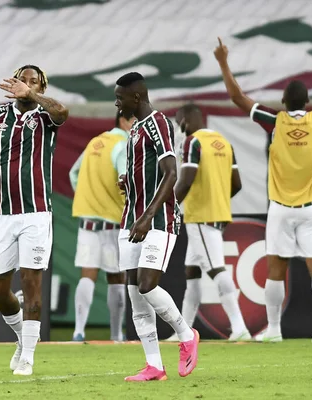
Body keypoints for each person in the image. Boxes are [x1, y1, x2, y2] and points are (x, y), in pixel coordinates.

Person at [213, 35, 312, 342]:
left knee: (275, 268)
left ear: (284, 102)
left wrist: (224, 62)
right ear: (306, 102)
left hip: (280, 207)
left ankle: (275, 330)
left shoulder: (274, 121)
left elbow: (238, 98)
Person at [0, 65, 69, 376]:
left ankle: (27, 356)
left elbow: (63, 112)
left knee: (31, 281)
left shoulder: (45, 117)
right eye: (22, 80)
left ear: (41, 87)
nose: (25, 85)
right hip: (4, 214)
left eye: (33, 82)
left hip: (37, 214)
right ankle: (21, 338)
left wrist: (35, 96)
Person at [114, 72, 199, 382]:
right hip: (130, 220)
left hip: (156, 220)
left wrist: (148, 216)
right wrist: (129, 182)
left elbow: (171, 172)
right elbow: (148, 174)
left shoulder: (158, 123)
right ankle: (154, 366)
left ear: (136, 97)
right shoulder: (134, 130)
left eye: (120, 97)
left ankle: (186, 334)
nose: (116, 102)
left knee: (148, 284)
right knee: (136, 296)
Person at [167, 103, 251, 342]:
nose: (179, 127)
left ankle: (239, 326)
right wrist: (219, 203)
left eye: (179, 121)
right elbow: (237, 184)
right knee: (192, 272)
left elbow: (186, 181)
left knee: (216, 269)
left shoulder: (192, 142)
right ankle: (184, 332)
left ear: (186, 120)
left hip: (200, 215)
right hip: (217, 213)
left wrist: (167, 205)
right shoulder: (224, 143)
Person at [69, 111, 135, 342]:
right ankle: (116, 334)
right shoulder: (123, 145)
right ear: (124, 120)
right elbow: (126, 178)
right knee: (116, 277)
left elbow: (73, 173)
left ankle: (78, 331)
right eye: (135, 120)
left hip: (87, 220)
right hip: (112, 222)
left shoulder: (95, 142)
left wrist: (88, 197)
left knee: (87, 274)